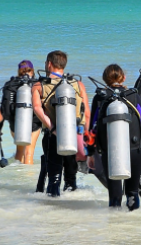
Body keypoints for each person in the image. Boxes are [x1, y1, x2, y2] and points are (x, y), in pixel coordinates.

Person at [89, 64, 141, 211]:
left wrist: (90, 153)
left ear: (105, 79)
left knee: (115, 195)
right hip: (135, 149)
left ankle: (114, 229)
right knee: (132, 193)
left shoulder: (100, 97)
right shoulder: (133, 96)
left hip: (111, 150)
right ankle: (132, 228)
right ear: (124, 77)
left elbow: (92, 129)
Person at [32, 50, 90, 197]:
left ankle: (53, 214)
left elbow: (37, 108)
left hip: (52, 137)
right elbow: (87, 113)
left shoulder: (39, 86)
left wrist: (52, 128)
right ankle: (70, 212)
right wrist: (85, 137)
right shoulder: (78, 85)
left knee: (54, 179)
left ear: (49, 64)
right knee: (71, 179)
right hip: (74, 137)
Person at [0, 60, 41, 164]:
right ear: (32, 70)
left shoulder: (10, 84)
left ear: (19, 71)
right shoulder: (37, 84)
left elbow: (5, 107)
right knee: (29, 153)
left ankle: (17, 174)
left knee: (19, 151)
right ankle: (27, 178)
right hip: (34, 123)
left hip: (16, 122)